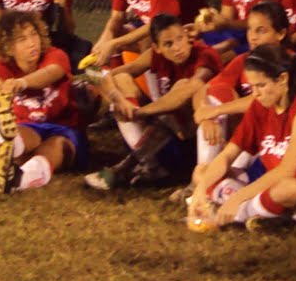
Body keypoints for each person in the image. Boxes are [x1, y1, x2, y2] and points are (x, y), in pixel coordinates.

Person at [188, 44, 296, 231]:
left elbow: (287, 171)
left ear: (283, 79)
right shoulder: (260, 105)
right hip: (266, 180)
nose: (256, 93)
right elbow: (227, 156)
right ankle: (258, 214)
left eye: (261, 85)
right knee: (202, 173)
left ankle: (238, 213)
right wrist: (200, 190)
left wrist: (238, 198)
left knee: (292, 190)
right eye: (252, 86)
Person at [87, 14, 223, 190]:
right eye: (168, 44)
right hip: (168, 136)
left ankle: (126, 167)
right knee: (122, 80)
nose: (177, 47)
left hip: (203, 142)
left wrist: (141, 112)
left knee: (179, 92)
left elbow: (189, 89)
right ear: (156, 48)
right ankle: (152, 166)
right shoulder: (154, 56)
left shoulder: (205, 55)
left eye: (180, 39)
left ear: (187, 35)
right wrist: (120, 100)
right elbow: (109, 76)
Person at [0, 9, 86, 194]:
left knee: (55, 147)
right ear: (8, 47)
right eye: (22, 39)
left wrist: (21, 83)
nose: (32, 43)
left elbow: (51, 73)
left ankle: (19, 180)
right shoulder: (2, 67)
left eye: (34, 35)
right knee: (13, 136)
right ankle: (7, 156)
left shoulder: (56, 55)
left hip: (64, 128)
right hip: (29, 127)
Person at [194, 1, 294, 175]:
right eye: (249, 29)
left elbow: (263, 102)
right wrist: (206, 116)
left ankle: (206, 181)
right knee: (218, 92)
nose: (252, 37)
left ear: (281, 34)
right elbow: (203, 90)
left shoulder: (291, 62)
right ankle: (204, 171)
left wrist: (216, 111)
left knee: (224, 177)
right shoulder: (244, 59)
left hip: (275, 139)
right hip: (244, 134)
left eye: (261, 30)